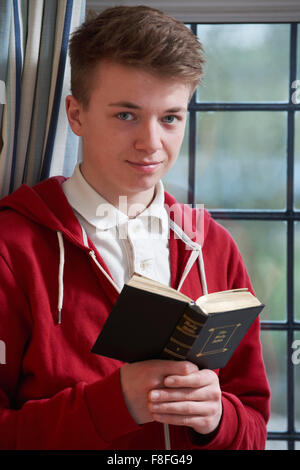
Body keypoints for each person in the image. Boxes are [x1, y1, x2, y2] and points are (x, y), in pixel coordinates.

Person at [0, 5, 270, 450]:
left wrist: (220, 419)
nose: (151, 143)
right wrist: (115, 403)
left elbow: (255, 432)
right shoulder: (13, 249)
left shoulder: (215, 246)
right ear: (76, 115)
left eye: (170, 118)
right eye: (126, 115)